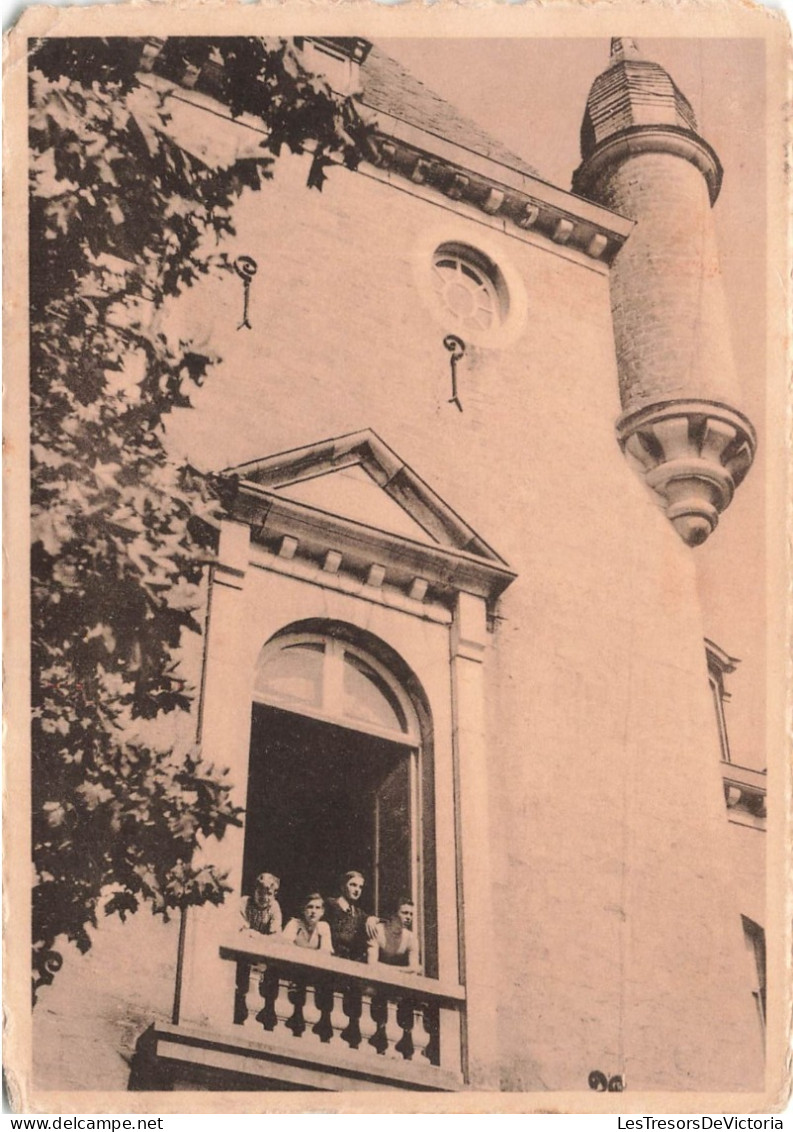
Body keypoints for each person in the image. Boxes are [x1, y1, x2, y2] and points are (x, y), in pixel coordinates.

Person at [323, 870, 376, 962]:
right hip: (328, 959)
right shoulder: (330, 905)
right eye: (353, 885)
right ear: (343, 886)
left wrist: (372, 919)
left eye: (360, 887)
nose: (357, 890)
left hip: (348, 963)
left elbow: (384, 922)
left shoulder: (359, 914)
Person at [367, 898, 419, 973]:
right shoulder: (377, 930)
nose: (408, 917)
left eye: (411, 914)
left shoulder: (411, 938)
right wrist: (402, 970)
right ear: (393, 914)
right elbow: (371, 964)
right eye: (405, 913)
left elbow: (414, 969)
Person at [240, 871, 283, 935]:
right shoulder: (244, 902)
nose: (264, 897)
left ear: (274, 895)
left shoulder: (274, 907)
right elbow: (240, 928)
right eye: (260, 892)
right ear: (254, 891)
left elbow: (276, 934)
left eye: (269, 894)